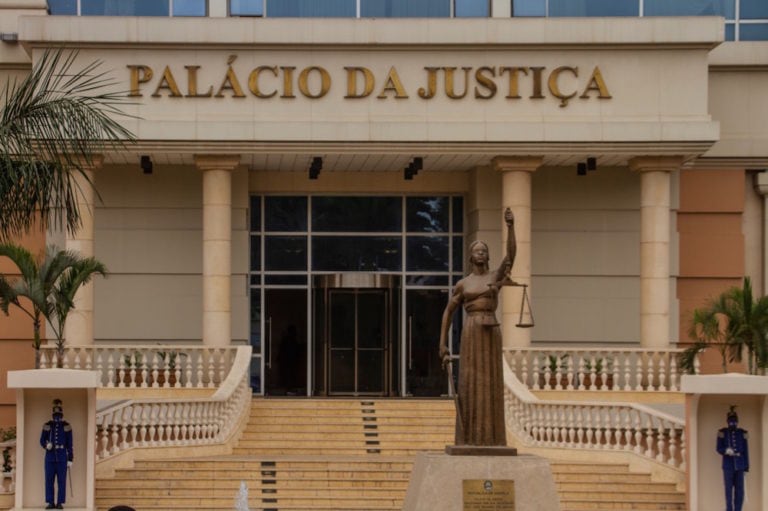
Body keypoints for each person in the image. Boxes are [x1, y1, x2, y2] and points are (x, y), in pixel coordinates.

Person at [439, 208, 516, 446]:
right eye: (476, 251)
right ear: (471, 257)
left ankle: (491, 438)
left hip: (490, 329)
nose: (480, 253)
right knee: (471, 382)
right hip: (472, 331)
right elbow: (449, 312)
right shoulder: (464, 284)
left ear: (487, 256)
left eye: (484, 250)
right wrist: (442, 343)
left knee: (489, 382)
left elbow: (512, 255)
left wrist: (511, 227)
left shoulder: (495, 277)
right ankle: (470, 437)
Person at [40, 399, 73, 509]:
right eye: (55, 415)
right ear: (53, 414)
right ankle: (50, 502)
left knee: (61, 481)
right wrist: (46, 445)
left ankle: (60, 502)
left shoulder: (66, 425)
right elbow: (41, 440)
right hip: (50, 457)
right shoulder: (47, 425)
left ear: (62, 415)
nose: (57, 417)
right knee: (49, 480)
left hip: (62, 457)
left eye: (59, 415)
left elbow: (70, 443)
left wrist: (70, 459)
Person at [717, 406, 749, 511]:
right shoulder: (722, 432)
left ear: (737, 421)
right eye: (731, 421)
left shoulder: (742, 433)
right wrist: (726, 450)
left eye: (734, 421)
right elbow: (718, 448)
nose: (733, 423)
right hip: (728, 465)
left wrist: (746, 466)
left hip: (740, 464)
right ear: (727, 421)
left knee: (740, 491)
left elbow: (746, 451)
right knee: (728, 490)